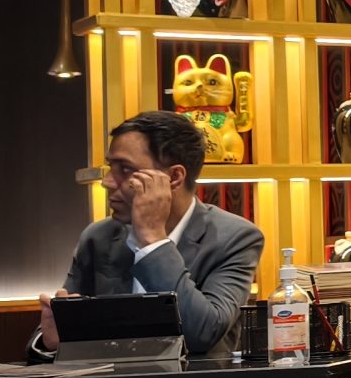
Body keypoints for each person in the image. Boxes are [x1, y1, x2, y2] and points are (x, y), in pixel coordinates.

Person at [38, 109, 265, 360]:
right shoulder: (98, 237)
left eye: (125, 169)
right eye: (111, 167)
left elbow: (202, 334)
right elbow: (52, 333)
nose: (108, 182)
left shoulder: (235, 238)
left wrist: (153, 240)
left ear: (174, 177)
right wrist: (53, 343)